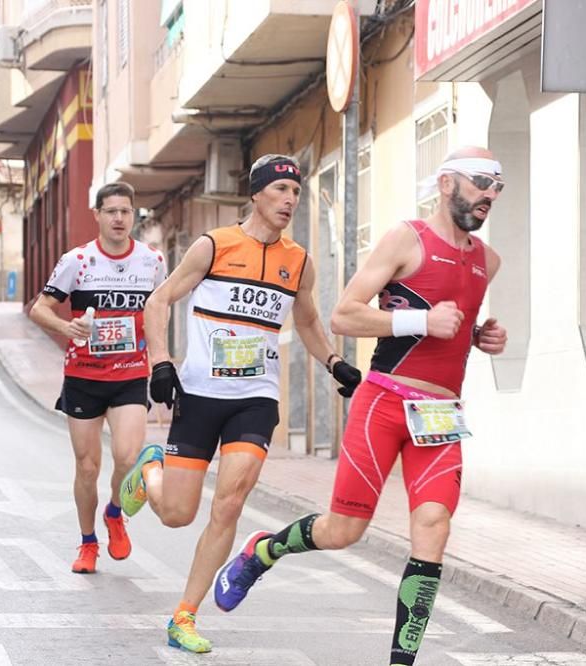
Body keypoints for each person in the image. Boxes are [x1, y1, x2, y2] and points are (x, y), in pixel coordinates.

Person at [213, 146, 509, 665]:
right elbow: (344, 316)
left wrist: (482, 337)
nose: (490, 193)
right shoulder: (406, 239)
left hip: (440, 415)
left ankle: (401, 662)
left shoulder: (488, 260)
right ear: (446, 184)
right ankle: (265, 549)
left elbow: (449, 327)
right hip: (385, 403)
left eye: (497, 185)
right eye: (480, 181)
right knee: (343, 530)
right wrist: (421, 323)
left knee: (434, 526)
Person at [119, 154, 362, 653]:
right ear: (256, 194)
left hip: (255, 398)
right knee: (177, 515)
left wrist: (335, 363)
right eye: (280, 191)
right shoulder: (215, 245)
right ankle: (152, 472)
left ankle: (183, 617)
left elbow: (310, 321)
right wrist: (161, 363)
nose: (290, 201)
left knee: (229, 504)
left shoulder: (299, 261)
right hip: (201, 394)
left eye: (296, 193)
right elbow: (159, 300)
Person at [29, 181, 166, 575]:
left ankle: (115, 512)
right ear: (98, 215)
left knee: (127, 457)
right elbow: (41, 308)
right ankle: (88, 542)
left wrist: (160, 361)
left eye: (126, 211)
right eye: (111, 211)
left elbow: (160, 311)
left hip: (130, 374)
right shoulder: (78, 260)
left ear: (134, 215)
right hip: (84, 376)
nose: (119, 218)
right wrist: (65, 327)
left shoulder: (151, 262)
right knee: (87, 466)